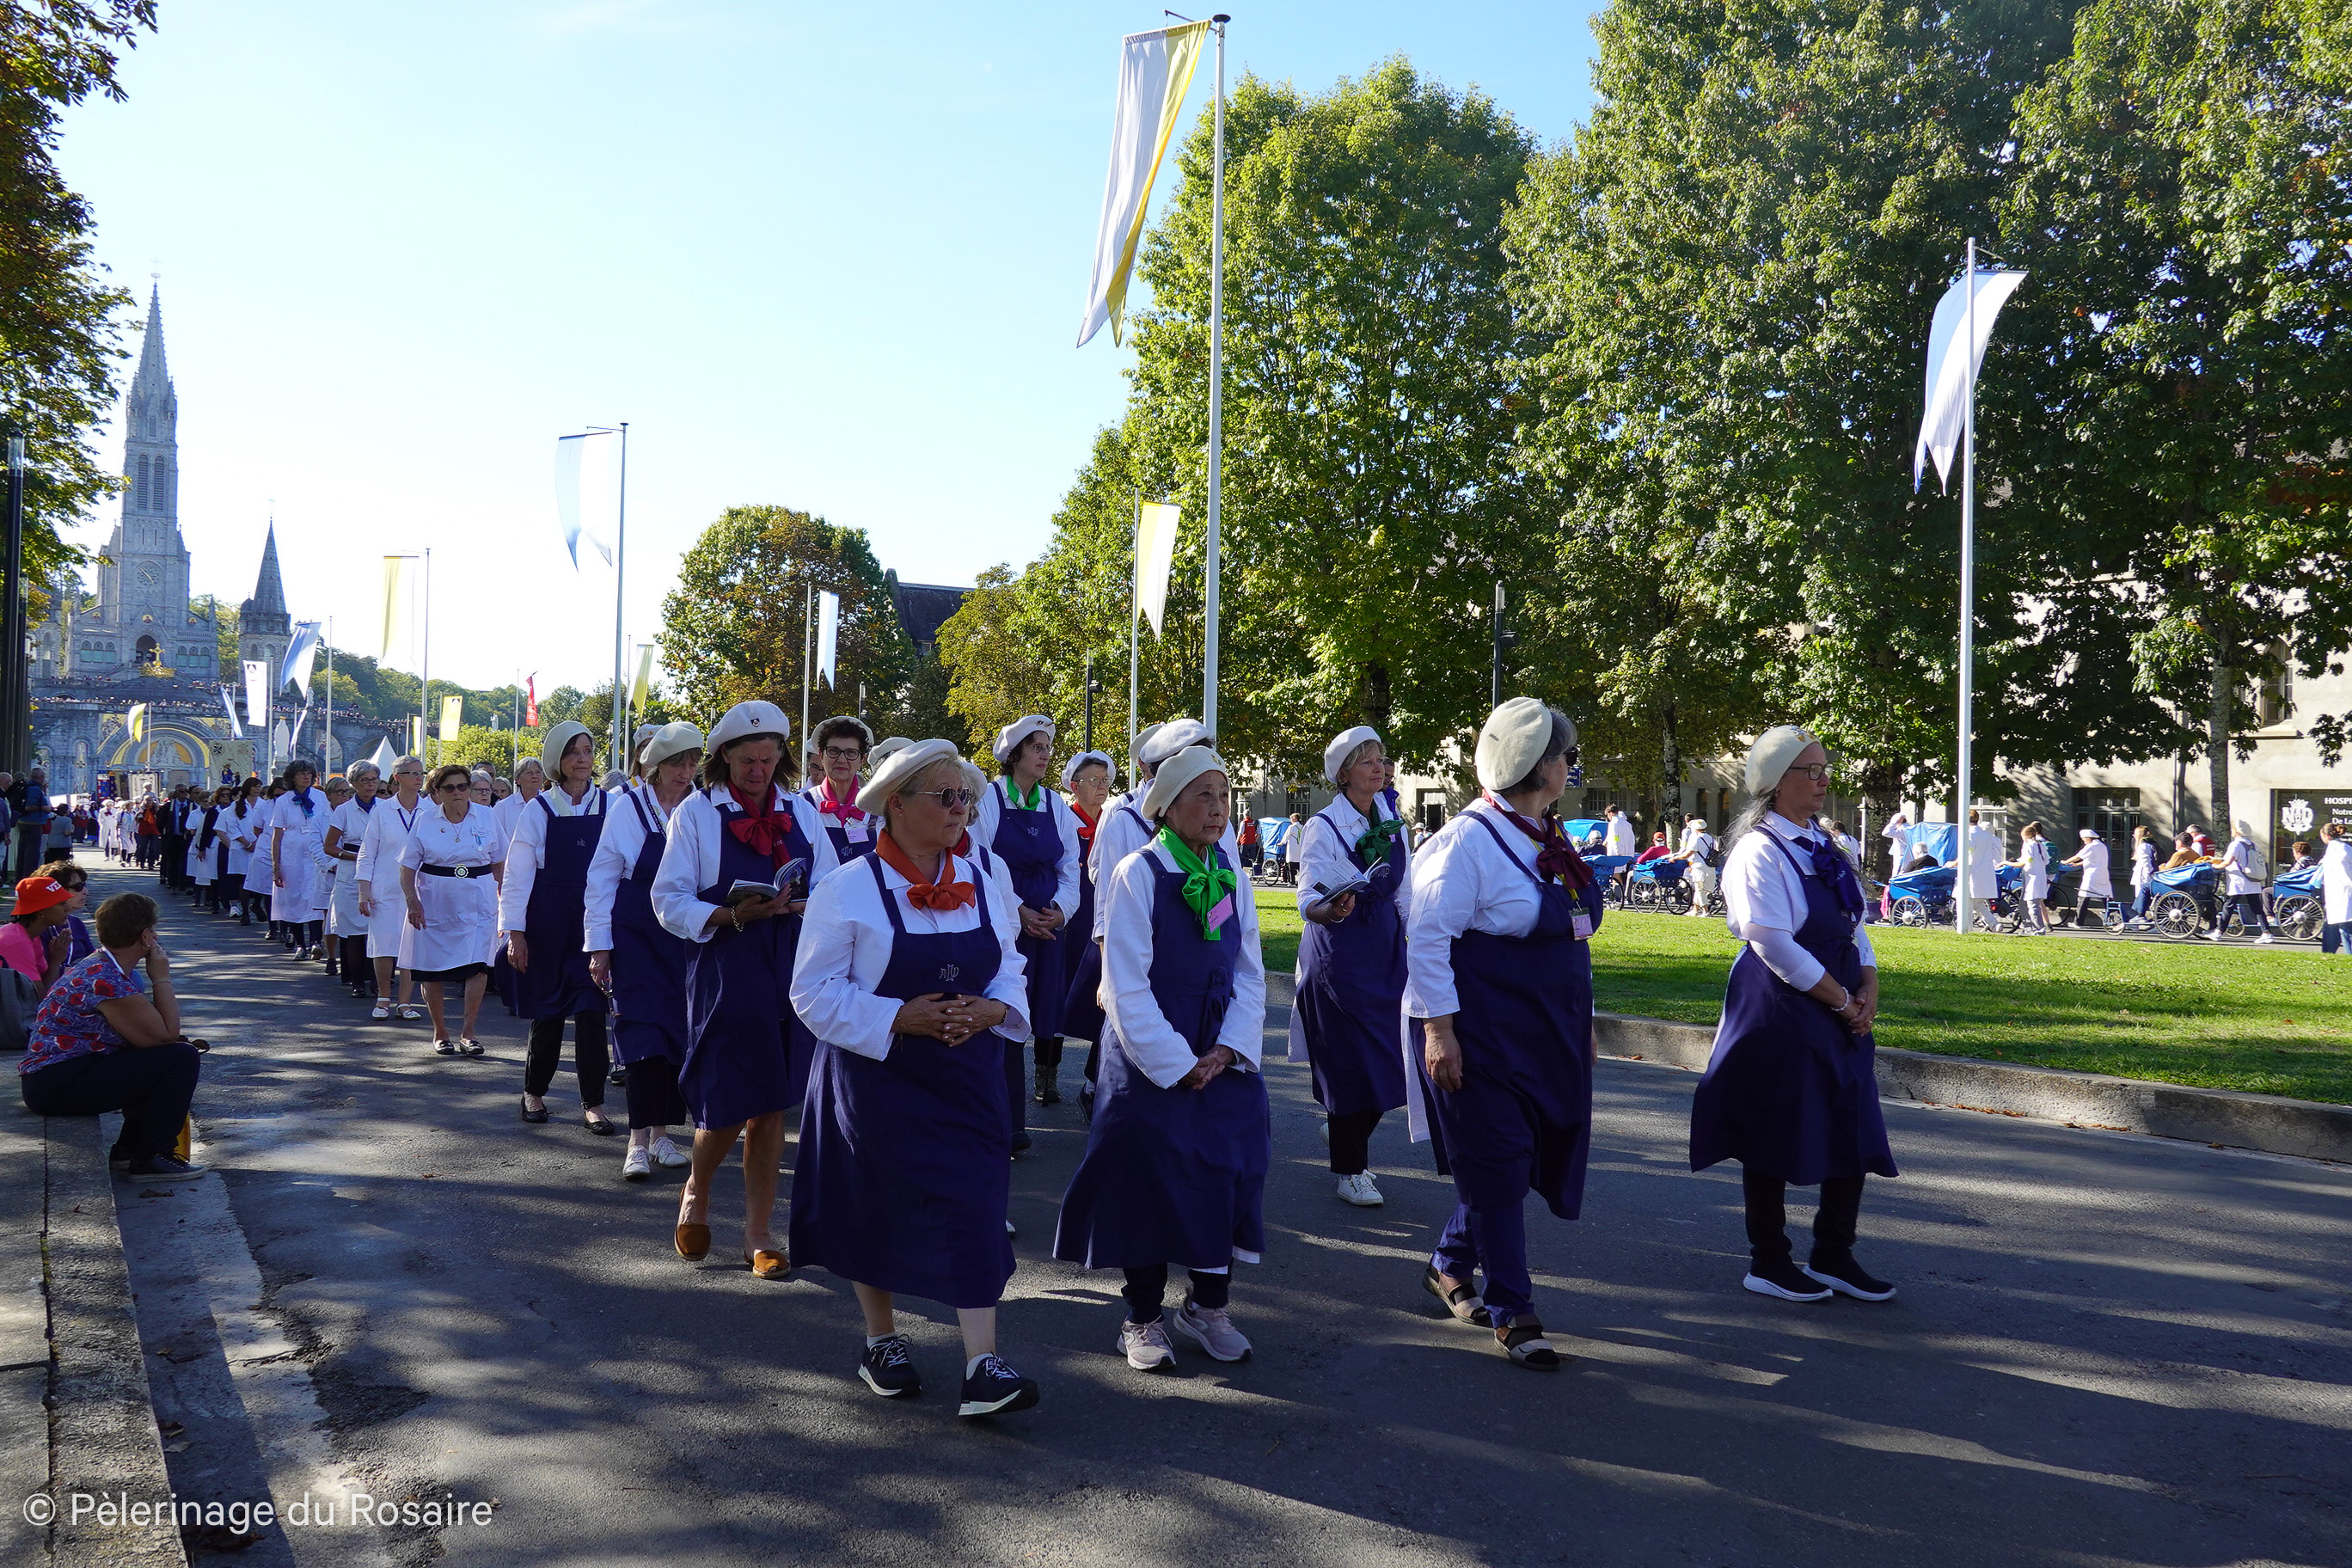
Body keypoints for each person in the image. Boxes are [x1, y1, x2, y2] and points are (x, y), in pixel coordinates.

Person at [789, 738, 1040, 1416]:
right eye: (947, 796)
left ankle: (983, 1364)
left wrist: (995, 1009)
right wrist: (898, 1017)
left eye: (966, 797)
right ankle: (881, 1341)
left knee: (976, 1205)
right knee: (874, 1207)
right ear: (897, 806)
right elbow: (811, 993)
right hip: (878, 1081)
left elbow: (1009, 964)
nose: (961, 809)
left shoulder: (984, 877)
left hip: (968, 1074)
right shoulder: (846, 888)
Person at [1056, 744, 1267, 1373]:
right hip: (1150, 1054)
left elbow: (1249, 972)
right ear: (1168, 806)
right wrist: (1179, 1062)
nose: (1218, 808)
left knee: (1225, 1173)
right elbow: (1125, 983)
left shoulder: (1232, 873)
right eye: (1203, 795)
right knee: (1145, 1181)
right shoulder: (1138, 873)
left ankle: (1208, 1306)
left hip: (1220, 1053)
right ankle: (1142, 1315)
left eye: (1223, 795)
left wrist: (1227, 1048)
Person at [1404, 701, 1602, 1369]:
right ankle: (1514, 1309)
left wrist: (1584, 1021)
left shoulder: (1548, 834)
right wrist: (1439, 1031)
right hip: (1480, 1029)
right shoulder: (1467, 841)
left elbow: (1574, 941)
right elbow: (1428, 937)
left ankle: (1449, 1262)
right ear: (1539, 767)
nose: (1571, 765)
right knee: (1498, 1160)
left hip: (1547, 1029)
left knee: (1517, 1158)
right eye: (1565, 755)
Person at [1689, 726, 1895, 1306]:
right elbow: (1772, 942)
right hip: (1782, 1004)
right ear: (1777, 783)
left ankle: (1834, 1252)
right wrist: (1841, 999)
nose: (1824, 780)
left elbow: (1855, 926)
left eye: (1826, 769)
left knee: (1851, 1121)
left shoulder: (1827, 845)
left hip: (1840, 997)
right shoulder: (1758, 851)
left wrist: (1869, 983)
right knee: (1774, 1127)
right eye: (1812, 771)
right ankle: (1769, 1260)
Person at [651, 701, 838, 1277]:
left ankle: (759, 1233)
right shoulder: (696, 813)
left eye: (767, 759)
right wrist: (733, 915)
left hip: (792, 962)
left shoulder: (802, 811)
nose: (758, 771)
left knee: (772, 1103)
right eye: (746, 761)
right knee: (730, 1099)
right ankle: (697, 1188)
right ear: (724, 759)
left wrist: (806, 904)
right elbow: (668, 899)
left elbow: (833, 883)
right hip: (727, 964)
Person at [1289, 726, 1411, 1208]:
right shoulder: (1324, 826)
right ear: (1343, 775)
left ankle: (1344, 1131)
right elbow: (1307, 896)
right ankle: (1351, 1170)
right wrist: (1329, 909)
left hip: (1385, 953)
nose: (1380, 768)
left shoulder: (1392, 820)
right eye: (1367, 761)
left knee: (1392, 1059)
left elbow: (1404, 892)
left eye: (1381, 759)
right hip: (1339, 954)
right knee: (1349, 1064)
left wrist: (1418, 945)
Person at [585, 722, 705, 1182]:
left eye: (692, 763)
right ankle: (636, 1142)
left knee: (677, 1033)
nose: (685, 772)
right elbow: (601, 879)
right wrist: (599, 946)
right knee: (640, 1034)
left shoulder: (701, 806)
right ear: (655, 766)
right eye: (677, 764)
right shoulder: (627, 807)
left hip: (686, 932)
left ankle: (662, 1135)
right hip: (636, 930)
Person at [15, 892, 204, 1180]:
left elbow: (148, 1038)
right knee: (181, 1058)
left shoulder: (102, 963)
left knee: (159, 1055)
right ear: (145, 937)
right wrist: (161, 977)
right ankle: (151, 1157)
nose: (156, 937)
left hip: (56, 1077)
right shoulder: (106, 979)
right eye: (153, 931)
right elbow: (166, 1034)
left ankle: (128, 1150)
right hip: (56, 1084)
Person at [972, 715, 1083, 1152]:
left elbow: (1070, 866)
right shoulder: (989, 798)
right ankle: (1007, 1122)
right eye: (1036, 747)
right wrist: (1018, 911)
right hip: (1006, 924)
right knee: (1005, 1015)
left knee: (1038, 1015)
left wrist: (1059, 911)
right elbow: (980, 862)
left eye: (1047, 747)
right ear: (1014, 754)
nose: (1045, 754)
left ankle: (1016, 1114)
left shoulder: (1055, 804)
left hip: (1047, 928)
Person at [500, 721, 617, 1131]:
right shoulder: (539, 809)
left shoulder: (612, 805)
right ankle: (533, 1092)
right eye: (573, 752)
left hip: (594, 922)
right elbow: (517, 874)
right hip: (548, 921)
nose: (582, 759)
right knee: (547, 1013)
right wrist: (515, 933)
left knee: (591, 1013)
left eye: (587, 750)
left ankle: (594, 1103)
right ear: (557, 760)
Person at [397, 763, 505, 1056]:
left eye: (462, 786)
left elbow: (500, 862)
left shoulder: (487, 816)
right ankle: (440, 1032)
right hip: (435, 902)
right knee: (432, 970)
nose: (457, 792)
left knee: (478, 966)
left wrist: (504, 899)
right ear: (437, 792)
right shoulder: (425, 820)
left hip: (478, 900)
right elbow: (407, 867)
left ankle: (469, 1033)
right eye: (449, 788)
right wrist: (412, 901)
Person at [1045, 750, 1114, 1105]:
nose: (1103, 786)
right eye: (1094, 780)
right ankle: (1047, 1071)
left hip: (1099, 918)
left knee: (1101, 998)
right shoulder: (1062, 820)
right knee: (1057, 992)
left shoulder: (1114, 821)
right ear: (1074, 786)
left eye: (1106, 780)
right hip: (1070, 919)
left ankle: (1095, 1077)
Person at [356, 757, 429, 1022]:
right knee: (383, 945)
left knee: (411, 946)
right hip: (385, 887)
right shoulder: (382, 810)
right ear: (397, 777)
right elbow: (367, 852)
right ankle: (383, 998)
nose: (419, 778)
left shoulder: (431, 809)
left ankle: (405, 1002)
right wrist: (364, 891)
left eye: (421, 773)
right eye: (412, 773)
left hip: (419, 889)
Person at [322, 763, 383, 998]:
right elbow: (329, 846)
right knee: (355, 931)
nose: (370, 785)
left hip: (380, 870)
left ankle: (378, 980)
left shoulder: (386, 807)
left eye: (374, 780)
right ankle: (357, 981)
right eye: (364, 780)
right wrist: (356, 857)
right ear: (354, 783)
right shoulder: (344, 811)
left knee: (378, 929)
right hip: (351, 871)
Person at [269, 763, 329, 959]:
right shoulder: (283, 801)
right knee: (293, 897)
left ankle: (316, 942)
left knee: (315, 896)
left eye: (309, 773)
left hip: (315, 852)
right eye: (302, 774)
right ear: (292, 777)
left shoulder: (320, 797)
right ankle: (300, 944)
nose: (306, 777)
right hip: (292, 854)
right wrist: (276, 866)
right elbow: (277, 835)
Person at [802, 715, 879, 864]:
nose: (842, 759)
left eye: (851, 753)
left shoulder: (876, 810)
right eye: (833, 751)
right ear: (821, 756)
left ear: (862, 760)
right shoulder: (802, 806)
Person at [0, 875, 77, 996]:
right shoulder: (18, 942)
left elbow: (45, 986)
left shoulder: (31, 935)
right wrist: (56, 961)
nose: (68, 908)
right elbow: (40, 998)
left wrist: (55, 961)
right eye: (62, 904)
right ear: (42, 910)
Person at [2212, 822, 2275, 944]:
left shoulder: (2235, 845)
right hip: (2253, 881)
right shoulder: (2254, 845)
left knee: (2228, 906)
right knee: (2257, 908)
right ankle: (2266, 933)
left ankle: (2218, 932)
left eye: (2232, 828)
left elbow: (2227, 862)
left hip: (2238, 882)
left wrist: (2215, 866)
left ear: (2236, 831)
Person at [2007, 822, 2053, 935]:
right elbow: (2045, 861)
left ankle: (2039, 929)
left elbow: (2023, 863)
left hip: (2032, 877)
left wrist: (2006, 863)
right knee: (2026, 902)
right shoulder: (2041, 845)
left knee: (2032, 904)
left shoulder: (2029, 846)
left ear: (2026, 836)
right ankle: (2029, 928)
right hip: (2040, 876)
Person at [2063, 828, 2112, 927]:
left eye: (2084, 840)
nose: (2084, 842)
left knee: (2083, 897)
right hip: (2103, 875)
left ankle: (2078, 922)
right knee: (2106, 897)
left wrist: (2065, 862)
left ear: (2088, 838)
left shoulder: (2091, 846)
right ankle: (2114, 919)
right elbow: (2092, 859)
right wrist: (2077, 865)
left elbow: (2077, 857)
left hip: (2092, 876)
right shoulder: (2102, 846)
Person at [10, 766, 52, 879]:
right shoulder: (34, 789)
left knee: (23, 853)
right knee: (32, 854)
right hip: (33, 824)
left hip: (25, 822)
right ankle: (29, 879)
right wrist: (45, 808)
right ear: (41, 777)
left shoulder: (31, 787)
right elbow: (29, 807)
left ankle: (21, 878)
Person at [1964, 810, 2002, 932]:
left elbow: (1965, 854)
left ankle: (1967, 929)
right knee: (1978, 904)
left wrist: (1952, 863)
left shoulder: (1968, 834)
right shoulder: (1987, 836)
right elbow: (1996, 855)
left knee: (1965, 903)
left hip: (1971, 873)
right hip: (1985, 874)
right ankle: (1994, 924)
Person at [2319, 823, 2352, 955]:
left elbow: (2344, 874)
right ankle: (2328, 955)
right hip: (2339, 894)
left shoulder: (2336, 851)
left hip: (2343, 893)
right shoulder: (2345, 848)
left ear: (2326, 836)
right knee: (2335, 926)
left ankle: (2337, 955)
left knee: (2345, 928)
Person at [1679, 818, 1720, 916]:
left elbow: (1687, 854)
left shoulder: (1696, 839)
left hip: (1699, 867)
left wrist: (1676, 858)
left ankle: (1706, 911)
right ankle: (1695, 910)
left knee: (1699, 889)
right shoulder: (1711, 838)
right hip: (1709, 866)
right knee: (1701, 889)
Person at [2124, 824, 2159, 928]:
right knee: (2145, 897)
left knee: (2142, 895)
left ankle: (2140, 916)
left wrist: (2150, 872)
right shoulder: (2151, 844)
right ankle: (2141, 916)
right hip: (2146, 874)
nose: (2133, 836)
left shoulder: (2143, 846)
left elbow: (2146, 861)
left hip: (2144, 875)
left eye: (2134, 834)